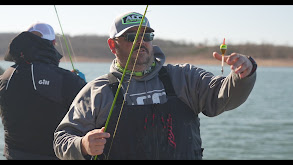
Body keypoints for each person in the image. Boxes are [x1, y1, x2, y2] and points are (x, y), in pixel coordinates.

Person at [53, 11, 257, 160]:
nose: (141, 42)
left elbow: (222, 96)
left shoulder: (184, 77)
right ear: (112, 45)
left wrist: (243, 75)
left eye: (147, 36)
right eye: (132, 37)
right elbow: (61, 140)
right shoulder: (97, 91)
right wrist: (83, 145)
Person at [0, 23, 86, 160]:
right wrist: (82, 85)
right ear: (52, 43)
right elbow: (90, 111)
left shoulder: (5, 77)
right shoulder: (67, 79)